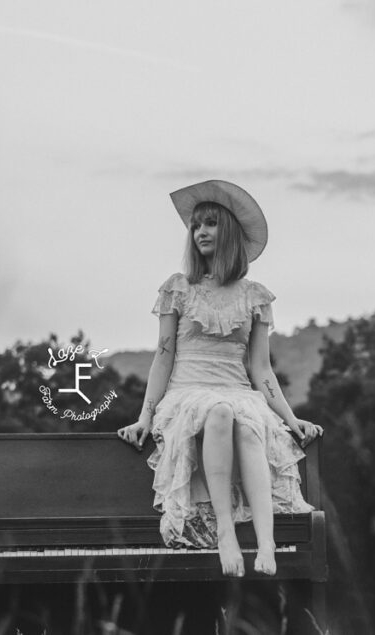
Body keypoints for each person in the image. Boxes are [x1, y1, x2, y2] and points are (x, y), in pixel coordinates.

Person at [117, 179, 323, 578]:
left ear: (227, 231)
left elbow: (261, 369)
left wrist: (290, 417)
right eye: (196, 226)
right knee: (220, 413)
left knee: (248, 427)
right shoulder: (178, 289)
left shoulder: (254, 295)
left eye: (210, 224)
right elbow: (163, 356)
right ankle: (225, 533)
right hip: (187, 394)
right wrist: (145, 417)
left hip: (237, 390)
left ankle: (267, 544)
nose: (201, 233)